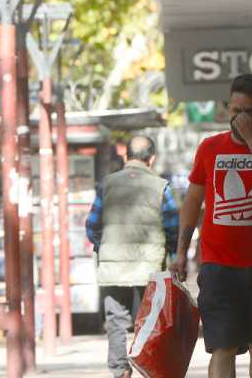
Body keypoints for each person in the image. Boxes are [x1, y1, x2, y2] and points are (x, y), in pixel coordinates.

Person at [171, 73, 252, 378]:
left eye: (249, 112)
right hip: (218, 266)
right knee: (222, 347)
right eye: (235, 111)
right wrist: (181, 252)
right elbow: (192, 201)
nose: (239, 118)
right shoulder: (209, 148)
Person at [86, 135, 179, 378]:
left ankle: (121, 372)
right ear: (152, 158)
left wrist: (104, 247)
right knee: (150, 321)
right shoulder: (161, 186)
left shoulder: (106, 184)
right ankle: (149, 368)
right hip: (150, 268)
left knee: (116, 322)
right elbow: (173, 227)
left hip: (113, 270)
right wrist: (172, 255)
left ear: (126, 156)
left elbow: (92, 224)